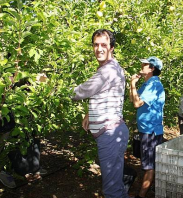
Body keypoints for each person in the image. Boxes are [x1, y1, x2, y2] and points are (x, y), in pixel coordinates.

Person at [71, 29, 129, 198]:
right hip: (114, 132)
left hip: (110, 135)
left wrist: (53, 87)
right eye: (96, 45)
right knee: (116, 187)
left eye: (104, 44)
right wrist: (91, 113)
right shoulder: (112, 67)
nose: (99, 48)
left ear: (111, 48)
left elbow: (81, 91)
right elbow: (105, 94)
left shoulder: (107, 71)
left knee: (111, 191)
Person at [130, 56, 165, 198]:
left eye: (144, 64)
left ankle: (141, 195)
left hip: (150, 131)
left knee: (149, 166)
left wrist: (132, 85)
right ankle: (149, 189)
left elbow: (137, 104)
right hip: (146, 129)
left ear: (152, 68)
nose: (142, 65)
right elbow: (133, 100)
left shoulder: (153, 85)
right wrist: (132, 84)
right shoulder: (147, 84)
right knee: (147, 162)